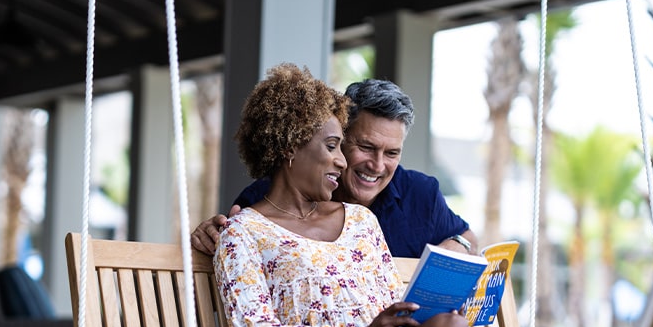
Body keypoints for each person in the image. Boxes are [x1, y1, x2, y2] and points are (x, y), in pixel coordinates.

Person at [214, 63, 469, 327]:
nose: (341, 160)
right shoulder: (243, 230)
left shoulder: (362, 221)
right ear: (291, 147)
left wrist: (424, 311)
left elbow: (389, 306)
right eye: (334, 146)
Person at [192, 78, 479, 259]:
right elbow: (232, 243)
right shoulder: (268, 197)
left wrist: (457, 248)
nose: (377, 166)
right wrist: (211, 234)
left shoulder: (422, 193)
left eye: (392, 153)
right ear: (339, 136)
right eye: (366, 147)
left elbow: (467, 237)